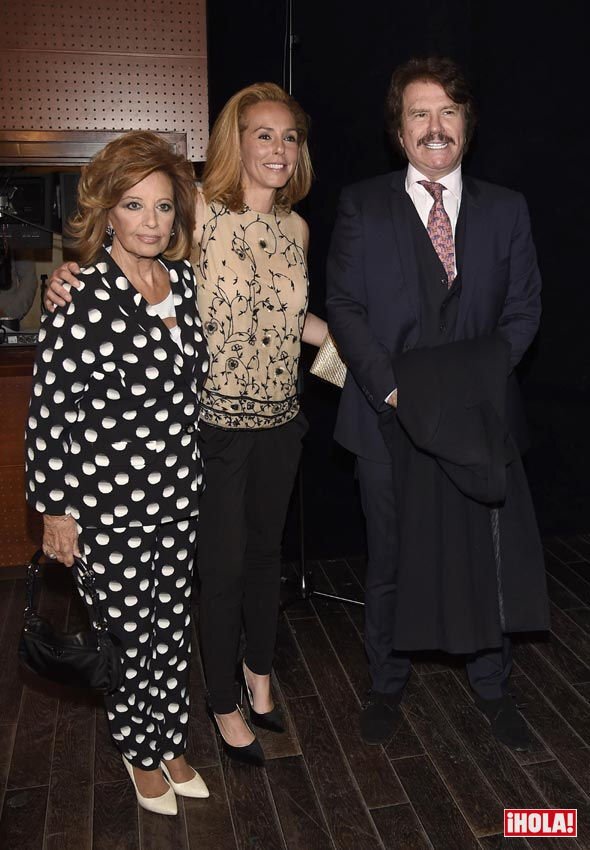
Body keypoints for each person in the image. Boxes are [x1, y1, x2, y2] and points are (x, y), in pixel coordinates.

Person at [45, 83, 327, 766]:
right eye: (263, 134)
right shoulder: (198, 211)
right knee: (221, 569)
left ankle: (260, 676)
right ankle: (222, 700)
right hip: (214, 429)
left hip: (282, 421)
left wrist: (378, 370)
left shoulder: (297, 228)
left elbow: (294, 322)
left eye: (289, 136)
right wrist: (69, 275)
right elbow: (137, 253)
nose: (279, 149)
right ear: (235, 141)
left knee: (267, 560)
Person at [326, 57, 549, 750]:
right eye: (419, 113)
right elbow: (344, 307)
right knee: (391, 557)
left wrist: (469, 392)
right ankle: (386, 684)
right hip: (386, 418)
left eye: (448, 112)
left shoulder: (506, 208)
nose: (434, 126)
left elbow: (524, 310)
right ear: (399, 130)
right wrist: (394, 390)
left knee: (485, 554)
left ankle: (494, 686)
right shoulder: (362, 205)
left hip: (480, 420)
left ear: (467, 126)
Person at [26, 131, 210, 815]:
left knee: (170, 630)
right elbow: (48, 416)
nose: (151, 223)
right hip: (108, 508)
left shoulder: (183, 282)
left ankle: (170, 739)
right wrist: (54, 513)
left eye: (164, 208)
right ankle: (138, 752)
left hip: (180, 496)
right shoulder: (79, 298)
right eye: (135, 206)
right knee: (129, 635)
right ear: (108, 212)